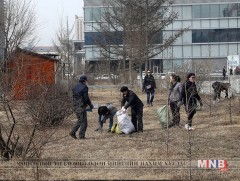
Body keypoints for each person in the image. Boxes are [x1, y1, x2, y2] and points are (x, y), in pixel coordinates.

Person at [69, 75, 94, 139]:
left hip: (75, 106)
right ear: (85, 80)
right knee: (84, 122)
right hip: (81, 106)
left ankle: (72, 132)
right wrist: (90, 105)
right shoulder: (84, 87)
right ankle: (81, 136)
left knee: (80, 120)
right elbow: (86, 98)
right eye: (86, 80)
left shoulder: (75, 86)